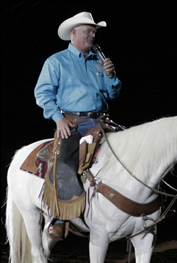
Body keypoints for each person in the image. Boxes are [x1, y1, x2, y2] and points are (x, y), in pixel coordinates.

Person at [34, 12, 122, 240]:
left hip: (101, 121)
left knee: (133, 149)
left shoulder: (98, 61)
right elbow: (42, 93)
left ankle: (140, 208)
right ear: (74, 34)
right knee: (63, 161)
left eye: (94, 32)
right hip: (72, 123)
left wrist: (111, 76)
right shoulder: (56, 61)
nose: (93, 35)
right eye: (88, 31)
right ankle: (61, 217)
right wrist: (58, 118)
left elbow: (112, 94)